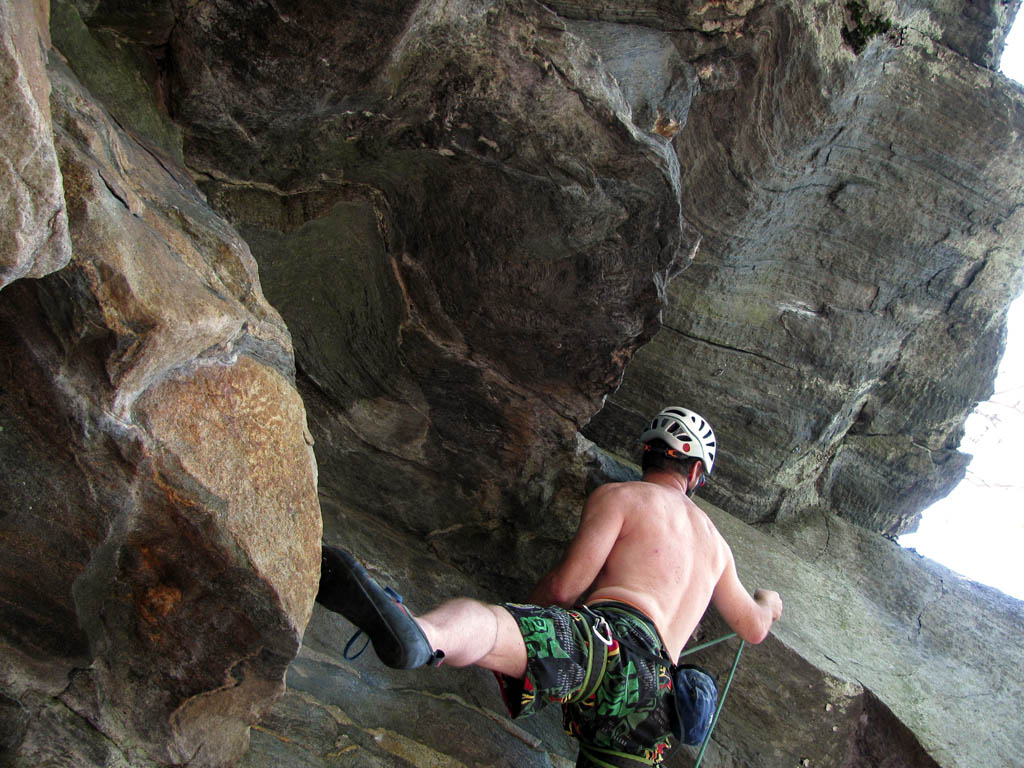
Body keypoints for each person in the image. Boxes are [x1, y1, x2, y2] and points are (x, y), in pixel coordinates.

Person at [317, 406, 782, 767]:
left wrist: (519, 625)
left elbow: (564, 587)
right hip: (655, 700)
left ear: (647, 453)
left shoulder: (621, 497)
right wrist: (769, 600)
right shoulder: (718, 548)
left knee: (493, 626)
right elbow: (754, 627)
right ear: (697, 474)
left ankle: (424, 636)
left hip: (607, 642)